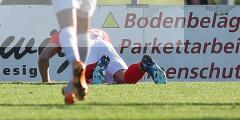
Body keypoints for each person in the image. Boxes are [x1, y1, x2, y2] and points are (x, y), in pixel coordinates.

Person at [38, 28, 167, 93]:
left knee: (81, 80)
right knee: (124, 78)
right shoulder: (100, 31)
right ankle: (143, 66)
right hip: (104, 45)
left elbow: (43, 57)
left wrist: (46, 81)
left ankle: (95, 68)